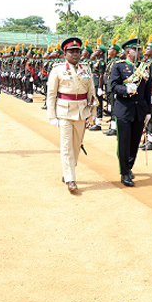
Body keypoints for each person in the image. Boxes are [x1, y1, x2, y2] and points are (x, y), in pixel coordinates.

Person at [46, 37, 96, 194]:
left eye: (77, 51)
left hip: (81, 111)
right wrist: (52, 115)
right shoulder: (58, 69)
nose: (75, 54)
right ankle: (70, 178)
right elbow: (51, 94)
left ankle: (67, 170)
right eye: (71, 51)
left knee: (76, 145)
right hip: (64, 111)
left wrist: (92, 114)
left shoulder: (86, 69)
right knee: (66, 145)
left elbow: (91, 93)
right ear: (64, 53)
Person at [110, 38, 152, 187]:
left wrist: (149, 111)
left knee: (134, 142)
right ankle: (124, 172)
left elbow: (147, 91)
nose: (139, 52)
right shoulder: (118, 67)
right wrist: (125, 89)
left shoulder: (144, 67)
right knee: (124, 142)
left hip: (139, 110)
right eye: (136, 50)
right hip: (124, 109)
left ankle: (129, 166)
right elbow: (113, 86)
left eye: (140, 50)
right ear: (128, 51)